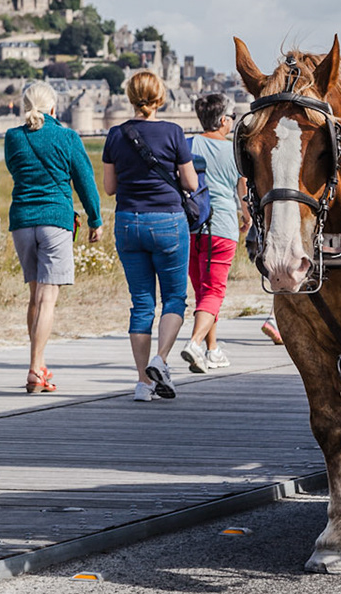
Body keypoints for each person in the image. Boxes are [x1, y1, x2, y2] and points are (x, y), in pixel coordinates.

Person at [102, 69, 199, 402]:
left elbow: (110, 188)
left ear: (130, 97)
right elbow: (191, 184)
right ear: (161, 98)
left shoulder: (116, 135)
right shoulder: (173, 132)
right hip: (168, 221)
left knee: (141, 304)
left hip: (129, 221)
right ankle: (161, 360)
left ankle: (143, 383)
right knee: (174, 299)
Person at [1, 80, 103, 394]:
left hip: (22, 221)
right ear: (55, 107)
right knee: (48, 300)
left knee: (35, 297)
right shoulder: (68, 137)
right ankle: (36, 367)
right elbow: (85, 180)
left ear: (23, 107)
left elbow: (16, 172)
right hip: (55, 220)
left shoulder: (12, 137)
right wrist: (95, 219)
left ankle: (37, 364)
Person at [177, 92, 242, 373]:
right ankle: (194, 343)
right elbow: (243, 192)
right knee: (214, 291)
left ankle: (212, 350)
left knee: (203, 291)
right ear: (224, 120)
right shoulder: (234, 151)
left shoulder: (188, 145)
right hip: (224, 226)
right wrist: (249, 218)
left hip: (191, 226)